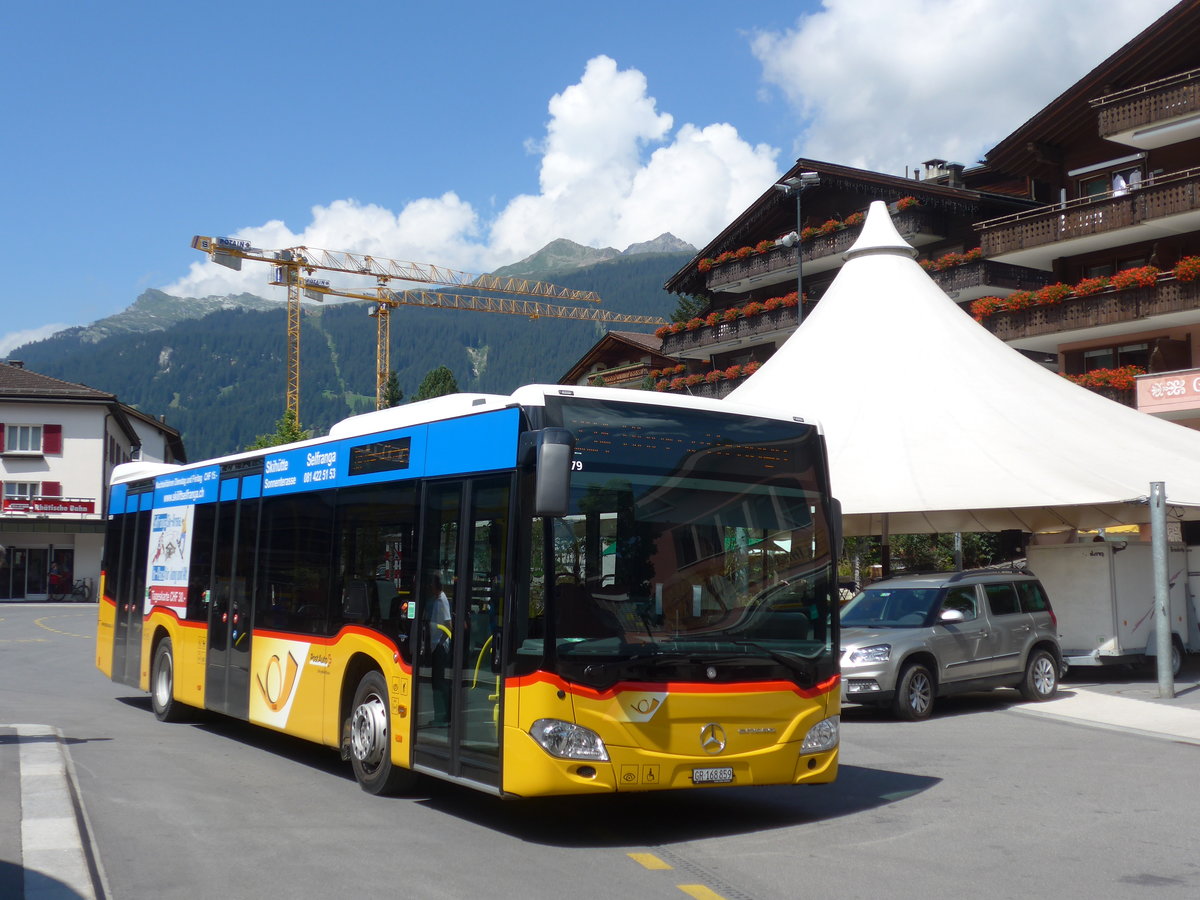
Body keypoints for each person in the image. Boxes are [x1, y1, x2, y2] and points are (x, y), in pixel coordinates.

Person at [428, 574, 452, 725]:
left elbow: (448, 624)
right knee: (436, 683)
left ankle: (444, 716)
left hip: (439, 646)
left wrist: (440, 644)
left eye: (431, 584)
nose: (429, 587)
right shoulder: (437, 599)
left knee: (439, 683)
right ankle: (439, 716)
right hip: (435, 644)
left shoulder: (442, 600)